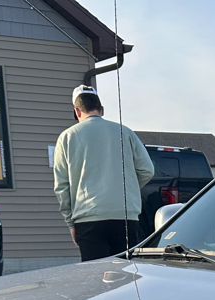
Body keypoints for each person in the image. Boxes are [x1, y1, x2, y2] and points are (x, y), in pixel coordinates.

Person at [53, 86, 154, 261]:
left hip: (88, 219)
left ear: (77, 111)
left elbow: (61, 186)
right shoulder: (125, 132)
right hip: (125, 216)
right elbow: (147, 170)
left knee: (95, 280)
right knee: (126, 276)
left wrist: (70, 222)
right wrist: (124, 188)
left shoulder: (67, 137)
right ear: (102, 109)